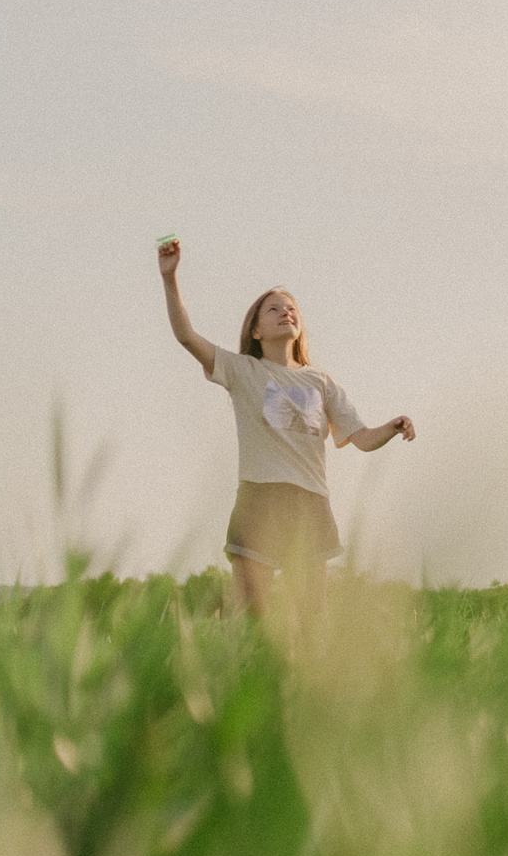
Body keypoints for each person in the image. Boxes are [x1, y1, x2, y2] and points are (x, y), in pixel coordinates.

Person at [155, 238, 414, 622]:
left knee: (311, 621)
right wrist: (170, 277)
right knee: (253, 621)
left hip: (310, 503)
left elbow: (361, 438)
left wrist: (391, 428)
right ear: (256, 330)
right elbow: (185, 336)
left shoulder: (320, 381)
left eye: (291, 309)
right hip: (260, 498)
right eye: (273, 309)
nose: (285, 313)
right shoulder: (243, 371)